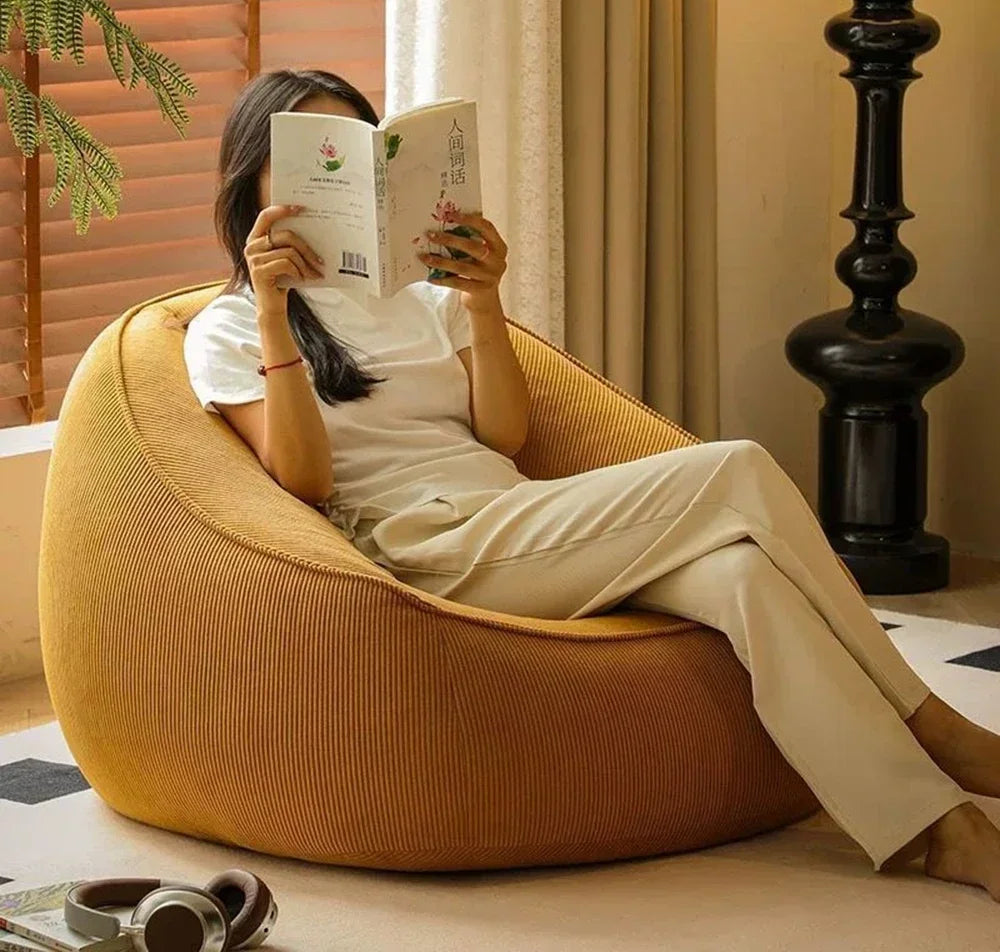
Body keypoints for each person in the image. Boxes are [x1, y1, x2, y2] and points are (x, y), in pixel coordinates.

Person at [180, 68, 1000, 900]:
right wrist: (276, 314)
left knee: (745, 575)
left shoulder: (422, 299)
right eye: (307, 160)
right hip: (421, 546)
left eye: (349, 158)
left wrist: (485, 301)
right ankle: (936, 727)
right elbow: (305, 482)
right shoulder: (227, 327)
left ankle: (942, 830)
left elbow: (504, 434)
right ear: (253, 178)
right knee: (738, 466)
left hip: (515, 518)